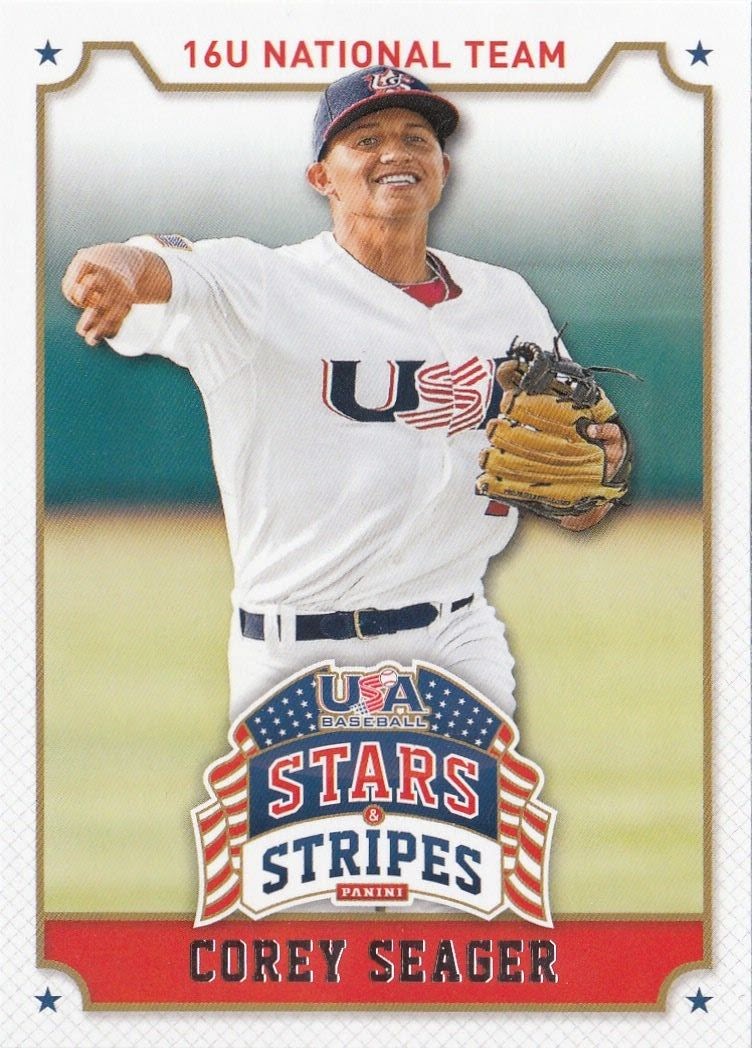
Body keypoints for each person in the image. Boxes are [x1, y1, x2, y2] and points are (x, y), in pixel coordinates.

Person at [62, 66, 625, 722]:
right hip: (297, 647)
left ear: (442, 168)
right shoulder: (264, 284)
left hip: (456, 634)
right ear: (321, 177)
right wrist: (115, 274)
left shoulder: (506, 299)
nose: (395, 152)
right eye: (366, 140)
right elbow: (147, 263)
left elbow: (575, 495)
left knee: (475, 797)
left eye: (416, 138)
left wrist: (597, 475)